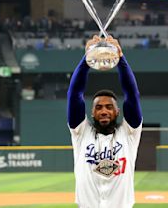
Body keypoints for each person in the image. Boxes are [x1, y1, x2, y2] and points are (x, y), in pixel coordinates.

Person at [67, 35, 143, 208]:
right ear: (92, 113)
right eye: (99, 107)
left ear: (117, 111)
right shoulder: (81, 132)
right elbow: (74, 94)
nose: (104, 111)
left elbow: (132, 95)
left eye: (109, 107)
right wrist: (86, 59)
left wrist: (121, 58)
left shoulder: (129, 133)